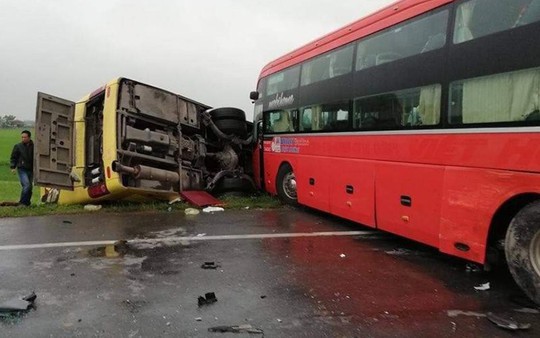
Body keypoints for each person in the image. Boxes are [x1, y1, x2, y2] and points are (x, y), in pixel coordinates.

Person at [10, 130, 34, 206]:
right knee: (26, 185)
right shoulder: (18, 146)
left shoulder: (34, 146)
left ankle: (27, 203)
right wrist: (13, 167)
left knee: (29, 187)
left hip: (31, 169)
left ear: (29, 137)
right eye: (22, 137)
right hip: (22, 169)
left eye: (25, 137)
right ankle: (22, 203)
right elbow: (13, 157)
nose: (23, 138)